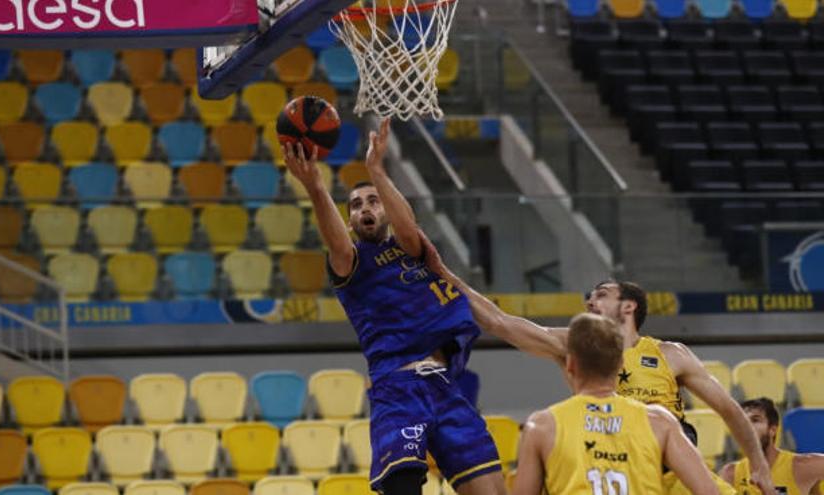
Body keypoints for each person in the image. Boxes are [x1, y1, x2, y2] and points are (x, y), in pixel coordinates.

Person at [417, 232, 777, 495]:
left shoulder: (671, 354)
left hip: (672, 473)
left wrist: (759, 466)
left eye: (602, 295)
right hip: (605, 466)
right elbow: (499, 322)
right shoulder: (575, 342)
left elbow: (730, 410)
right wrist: (444, 274)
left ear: (629, 306)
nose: (590, 302)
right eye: (589, 298)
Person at [282, 119, 505, 495]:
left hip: (445, 385)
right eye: (355, 205)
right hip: (397, 388)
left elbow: (409, 227)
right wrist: (315, 185)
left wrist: (377, 170)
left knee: (493, 491)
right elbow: (337, 245)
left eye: (373, 201)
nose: (365, 209)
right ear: (350, 220)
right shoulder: (350, 261)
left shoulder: (413, 251)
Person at [514, 312, 720, 495]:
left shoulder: (542, 426)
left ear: (570, 365)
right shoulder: (659, 421)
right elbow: (709, 491)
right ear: (620, 365)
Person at [719, 397, 824, 495]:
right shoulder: (731, 474)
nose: (746, 427)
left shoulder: (804, 466)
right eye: (742, 422)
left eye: (755, 420)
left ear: (772, 430)